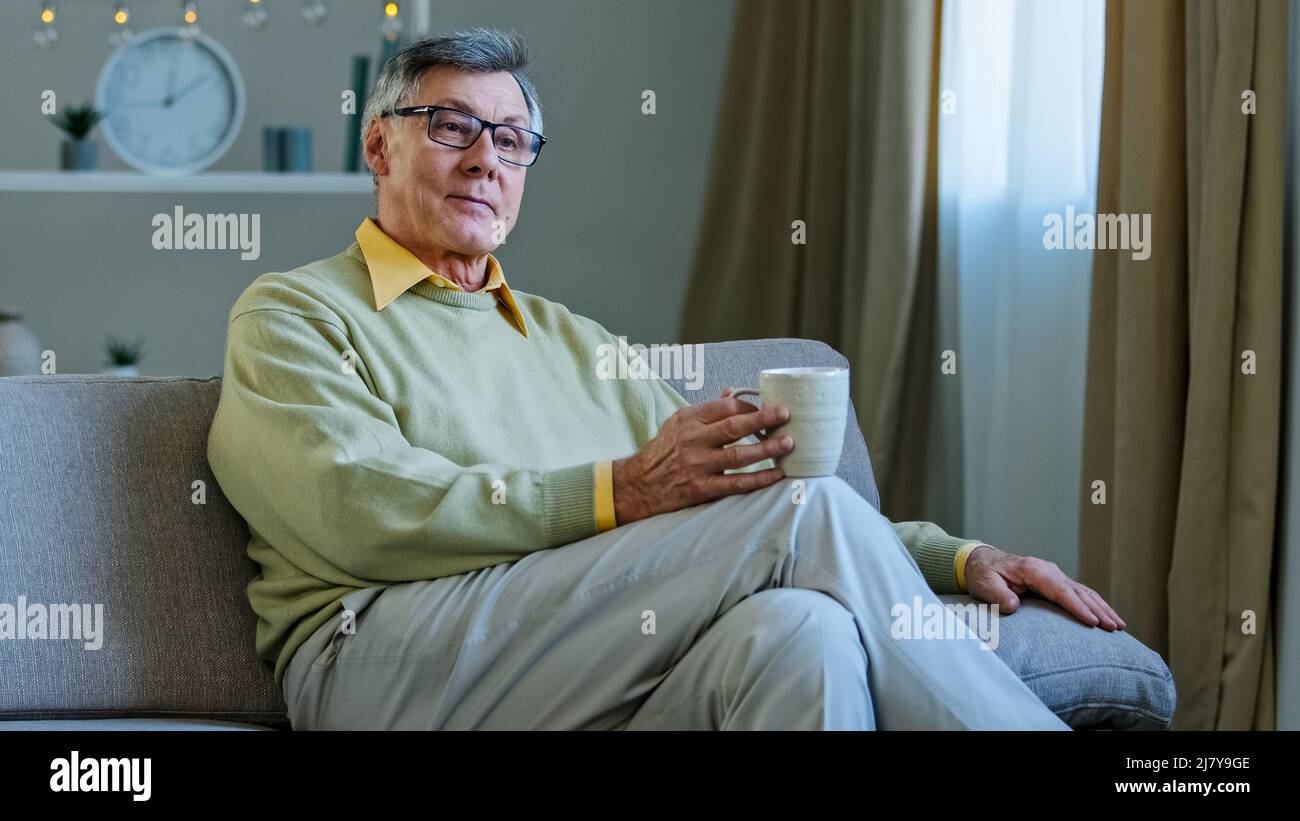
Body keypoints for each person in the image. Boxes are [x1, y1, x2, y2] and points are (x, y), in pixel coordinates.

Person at [207, 27, 1123, 730]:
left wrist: (960, 558)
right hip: (379, 663)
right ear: (378, 148)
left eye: (514, 139)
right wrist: (623, 489)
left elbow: (750, 502)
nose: (487, 157)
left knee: (804, 635)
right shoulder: (292, 314)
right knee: (800, 520)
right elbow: (357, 510)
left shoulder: (575, 342)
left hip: (579, 658)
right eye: (453, 127)